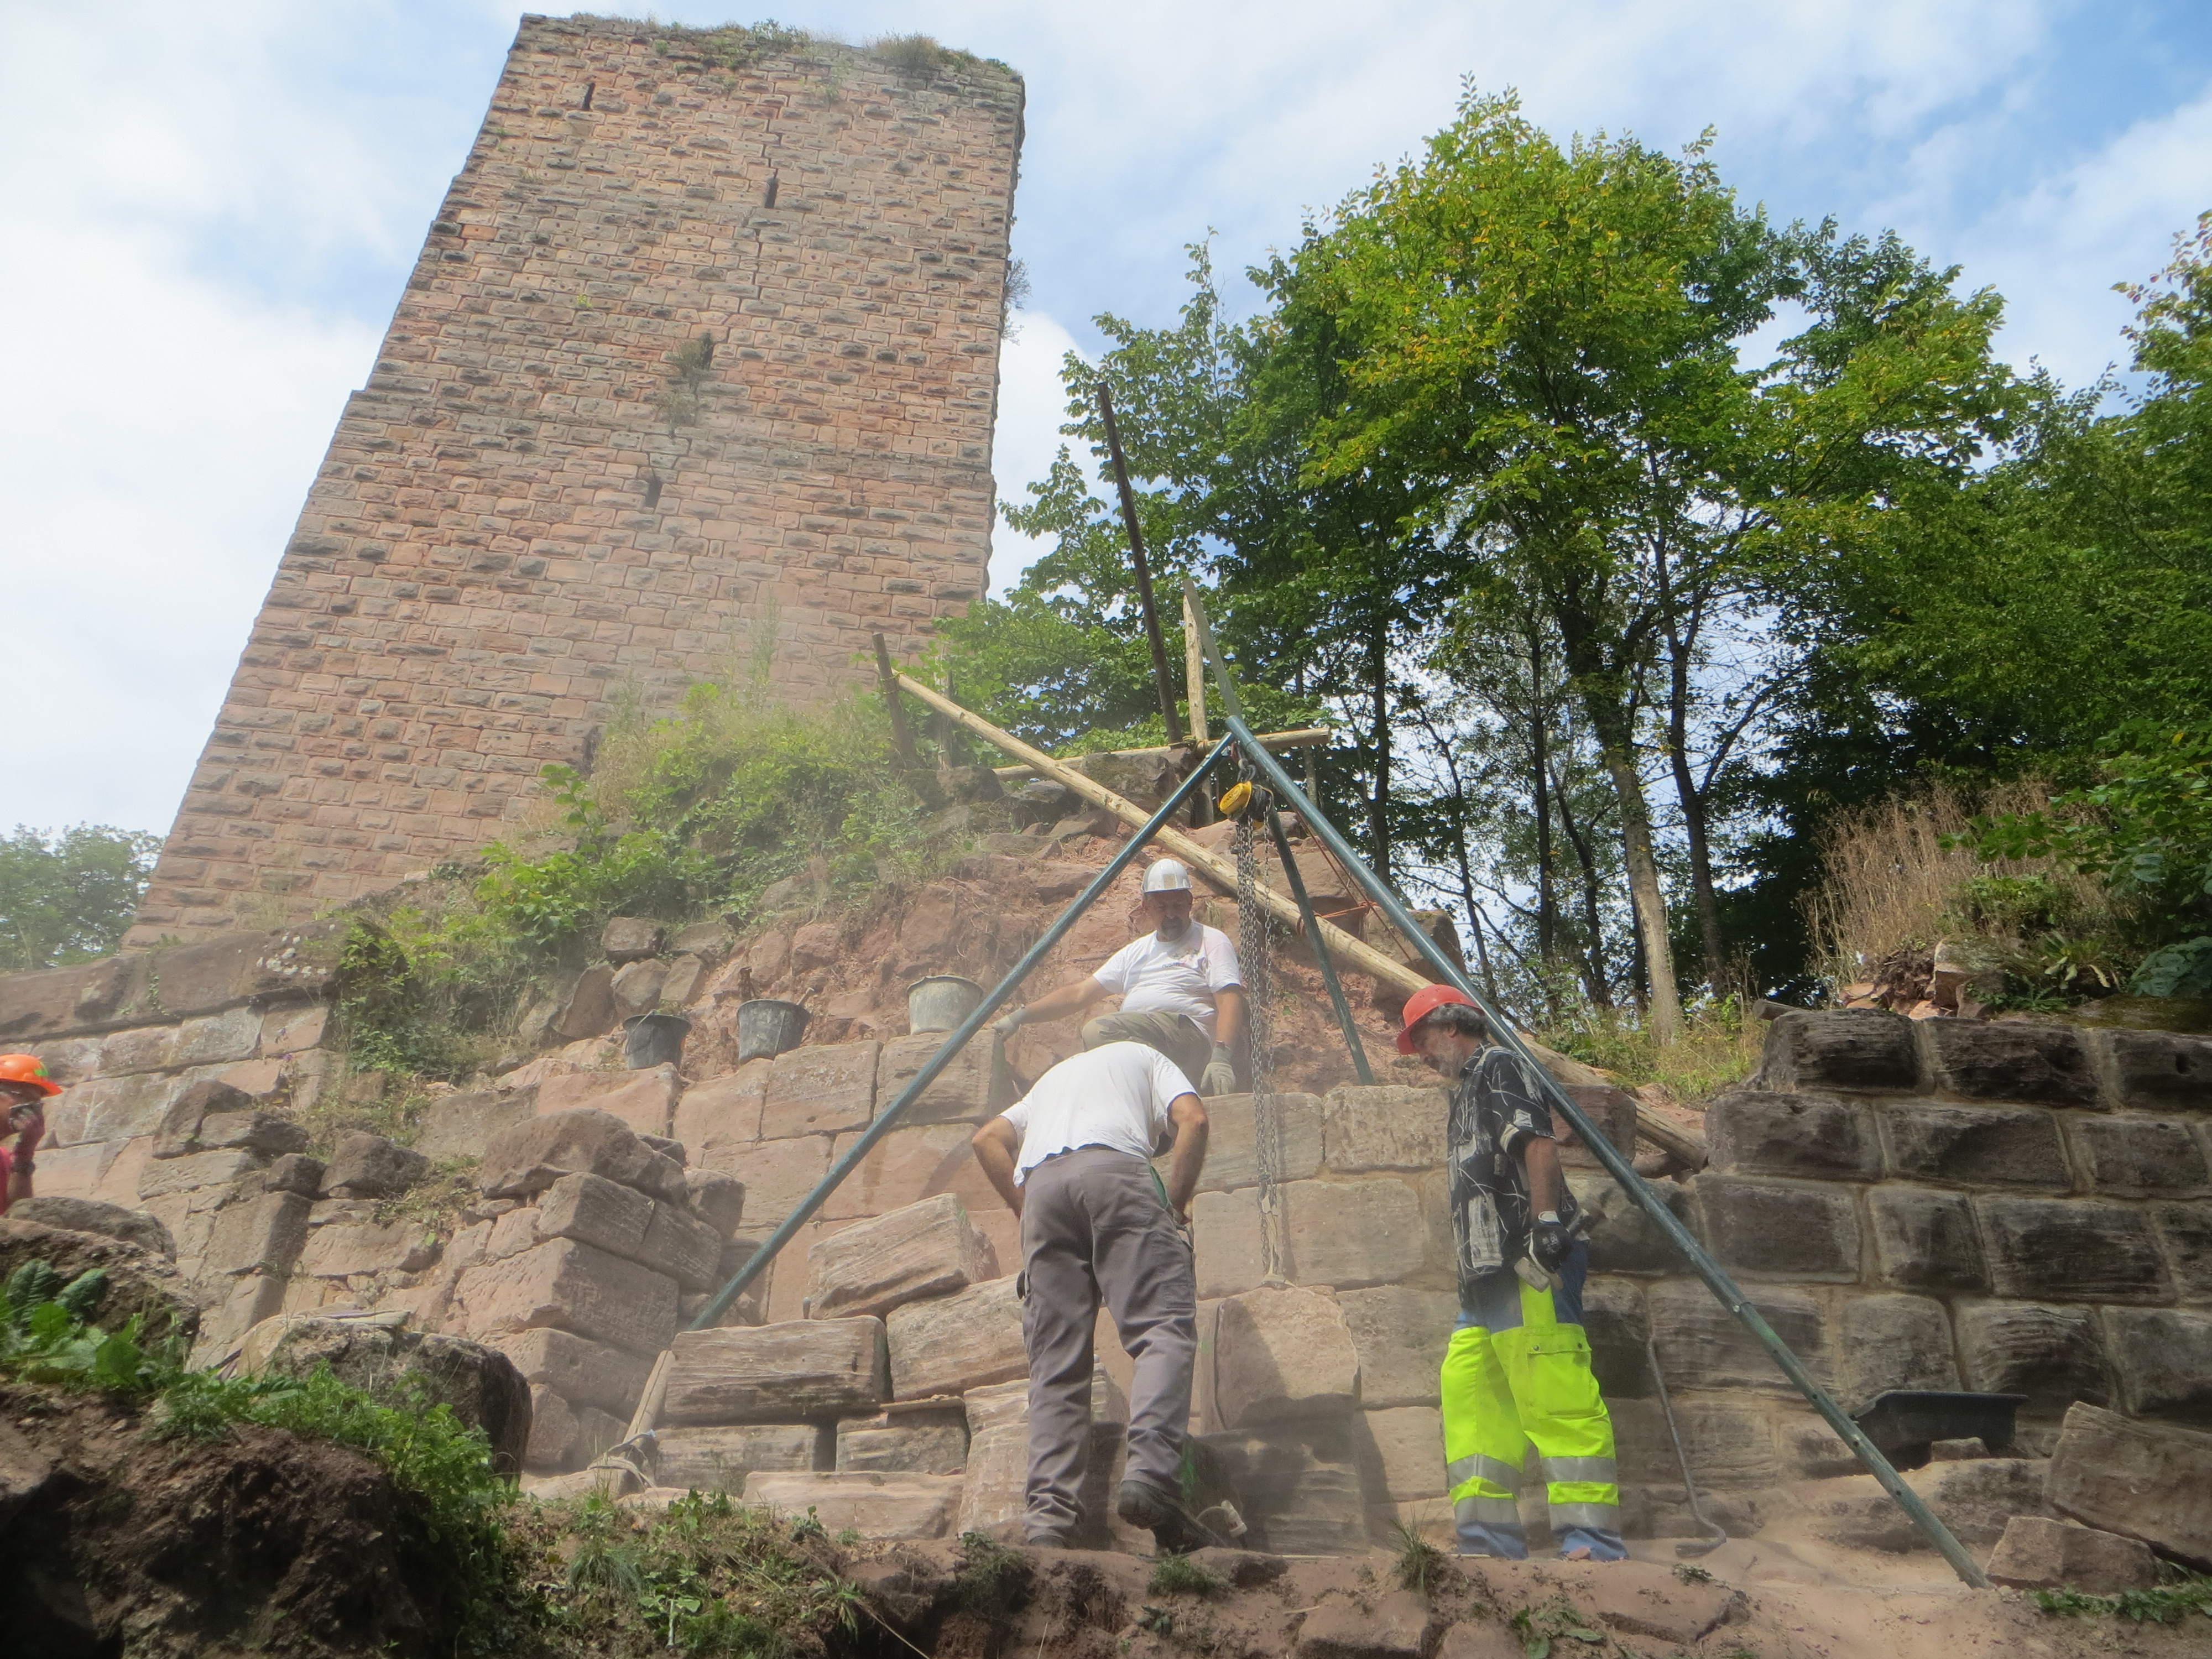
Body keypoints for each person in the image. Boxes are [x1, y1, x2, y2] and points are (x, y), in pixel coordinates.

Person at [1396, 985, 1626, 1563]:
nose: (1421, 1054)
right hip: (1485, 1275)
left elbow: (1537, 1143)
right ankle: (1489, 1541)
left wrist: (1546, 1223)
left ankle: (1592, 1543)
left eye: (1422, 1039)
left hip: (1527, 1261)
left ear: (1451, 1026)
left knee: (1555, 1396)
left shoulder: (1499, 1065)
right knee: (1470, 1395)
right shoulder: (1464, 1092)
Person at [970, 1039, 1220, 1552]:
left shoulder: (1051, 1082)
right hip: (1116, 1175)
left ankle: (1048, 1521)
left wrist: (1024, 1210)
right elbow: (1194, 1120)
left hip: (1043, 1194)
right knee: (1162, 1330)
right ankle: (1151, 1479)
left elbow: (987, 1140)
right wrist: (1174, 1208)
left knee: (1055, 1363)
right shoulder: (1150, 1057)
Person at [992, 857, 1244, 1096]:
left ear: (1189, 902)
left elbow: (1229, 999)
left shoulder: (1211, 940)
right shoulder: (1136, 952)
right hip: (1146, 1039)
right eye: (1162, 907)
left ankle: (1154, 1084)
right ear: (1146, 907)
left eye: (1178, 905)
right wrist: (1021, 1016)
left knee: (1099, 1031)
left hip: (1190, 1040)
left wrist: (1221, 1058)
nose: (1171, 914)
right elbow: (1080, 994)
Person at [0, 1053, 60, 1217]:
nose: (30, 1108)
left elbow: (19, 1218)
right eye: (23, 1097)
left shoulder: (4, 1159)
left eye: (36, 1103)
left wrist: (24, 1154)